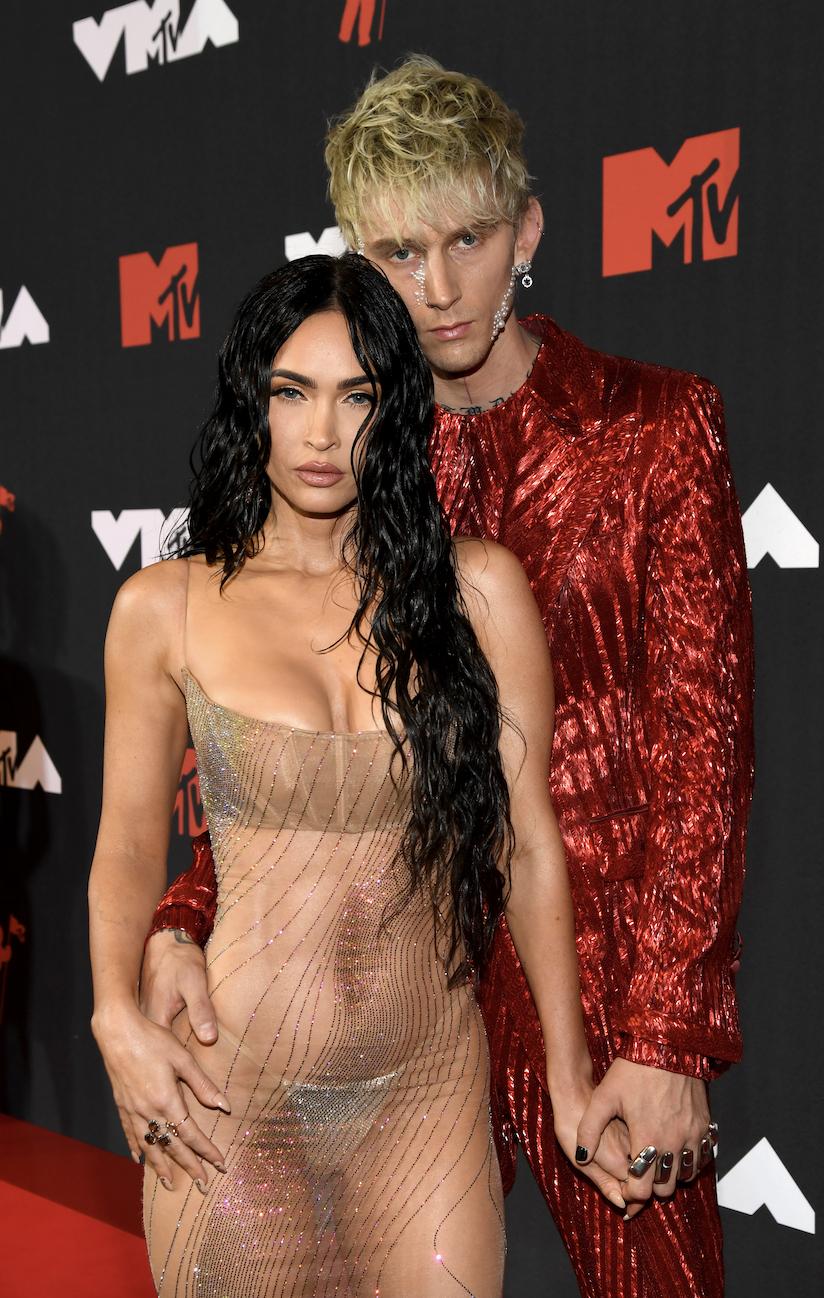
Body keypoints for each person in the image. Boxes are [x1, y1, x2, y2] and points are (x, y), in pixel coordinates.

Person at [140, 60, 754, 1296]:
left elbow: (706, 745)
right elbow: (303, 748)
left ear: (523, 230)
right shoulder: (344, 457)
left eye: (464, 238)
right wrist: (184, 913)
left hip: (602, 973)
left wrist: (662, 1030)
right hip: (389, 991)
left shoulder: (652, 428)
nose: (435, 287)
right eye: (398, 253)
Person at [89, 253, 628, 1297]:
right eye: (292, 393)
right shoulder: (167, 605)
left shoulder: (476, 589)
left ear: (398, 409)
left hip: (425, 1087)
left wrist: (567, 1069)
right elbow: (121, 845)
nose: (323, 434)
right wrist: (115, 1013)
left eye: (356, 396)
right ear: (252, 402)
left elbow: (524, 841)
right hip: (233, 1095)